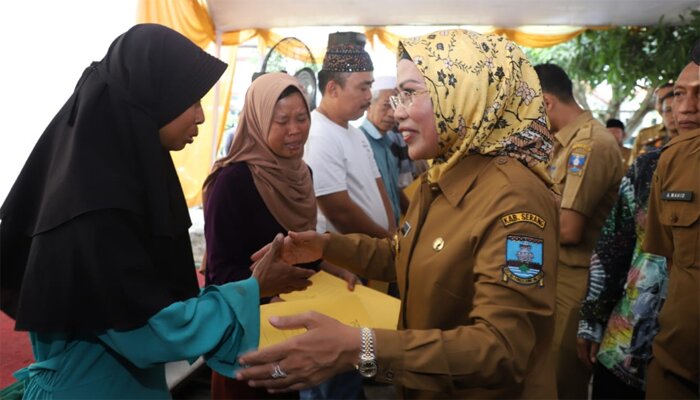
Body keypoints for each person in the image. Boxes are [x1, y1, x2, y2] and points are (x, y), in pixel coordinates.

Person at [237, 29, 559, 398]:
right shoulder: (442, 176)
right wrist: (326, 247)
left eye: (410, 94)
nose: (396, 109)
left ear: (465, 95)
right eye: (397, 95)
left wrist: (361, 347)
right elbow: (402, 254)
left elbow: (501, 348)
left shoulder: (513, 198)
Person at [0, 24, 314, 398]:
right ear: (155, 97)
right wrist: (254, 287)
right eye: (192, 100)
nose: (200, 117)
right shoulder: (96, 208)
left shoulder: (107, 182)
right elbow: (151, 331)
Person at [201, 72, 358, 399]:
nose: (295, 130)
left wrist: (334, 268)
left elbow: (302, 251)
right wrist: (266, 289)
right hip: (250, 338)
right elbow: (219, 273)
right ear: (257, 122)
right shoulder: (232, 182)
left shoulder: (303, 173)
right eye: (281, 121)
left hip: (295, 333)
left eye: (301, 118)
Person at [534, 62, 625, 399]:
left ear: (545, 102)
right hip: (555, 278)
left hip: (575, 285)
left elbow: (569, 228)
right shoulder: (562, 143)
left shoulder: (589, 145)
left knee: (560, 385)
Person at [576, 128, 676, 397]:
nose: (687, 107)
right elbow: (612, 249)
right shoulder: (648, 166)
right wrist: (591, 320)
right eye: (679, 95)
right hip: (624, 345)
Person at [642, 56, 700, 399]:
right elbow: (672, 261)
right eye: (680, 94)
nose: (687, 108)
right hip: (677, 367)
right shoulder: (672, 158)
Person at [304, 32, 396, 240]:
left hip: (376, 253)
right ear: (333, 89)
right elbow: (339, 213)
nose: (368, 97)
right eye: (362, 88)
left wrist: (392, 232)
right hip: (349, 263)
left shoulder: (355, 133)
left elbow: (380, 188)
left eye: (370, 86)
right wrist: (387, 242)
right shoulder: (319, 133)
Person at [359, 75, 409, 225]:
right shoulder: (361, 141)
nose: (392, 114)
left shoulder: (387, 142)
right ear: (369, 106)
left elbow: (394, 188)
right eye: (386, 106)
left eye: (395, 107)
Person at [628, 83, 675, 165]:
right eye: (661, 100)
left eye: (671, 96)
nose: (665, 103)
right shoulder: (644, 134)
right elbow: (632, 168)